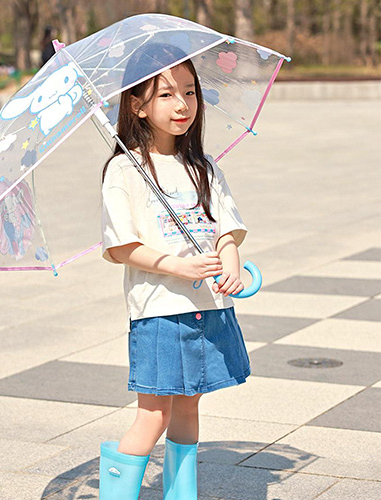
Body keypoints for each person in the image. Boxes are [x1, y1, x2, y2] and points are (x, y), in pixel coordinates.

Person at [99, 43, 251, 500]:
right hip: (159, 313)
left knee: (188, 409)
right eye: (165, 94)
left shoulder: (204, 167)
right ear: (137, 105)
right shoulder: (125, 170)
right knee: (154, 415)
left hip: (209, 308)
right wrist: (179, 266)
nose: (182, 104)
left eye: (189, 91)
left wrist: (231, 266)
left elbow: (226, 230)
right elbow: (122, 246)